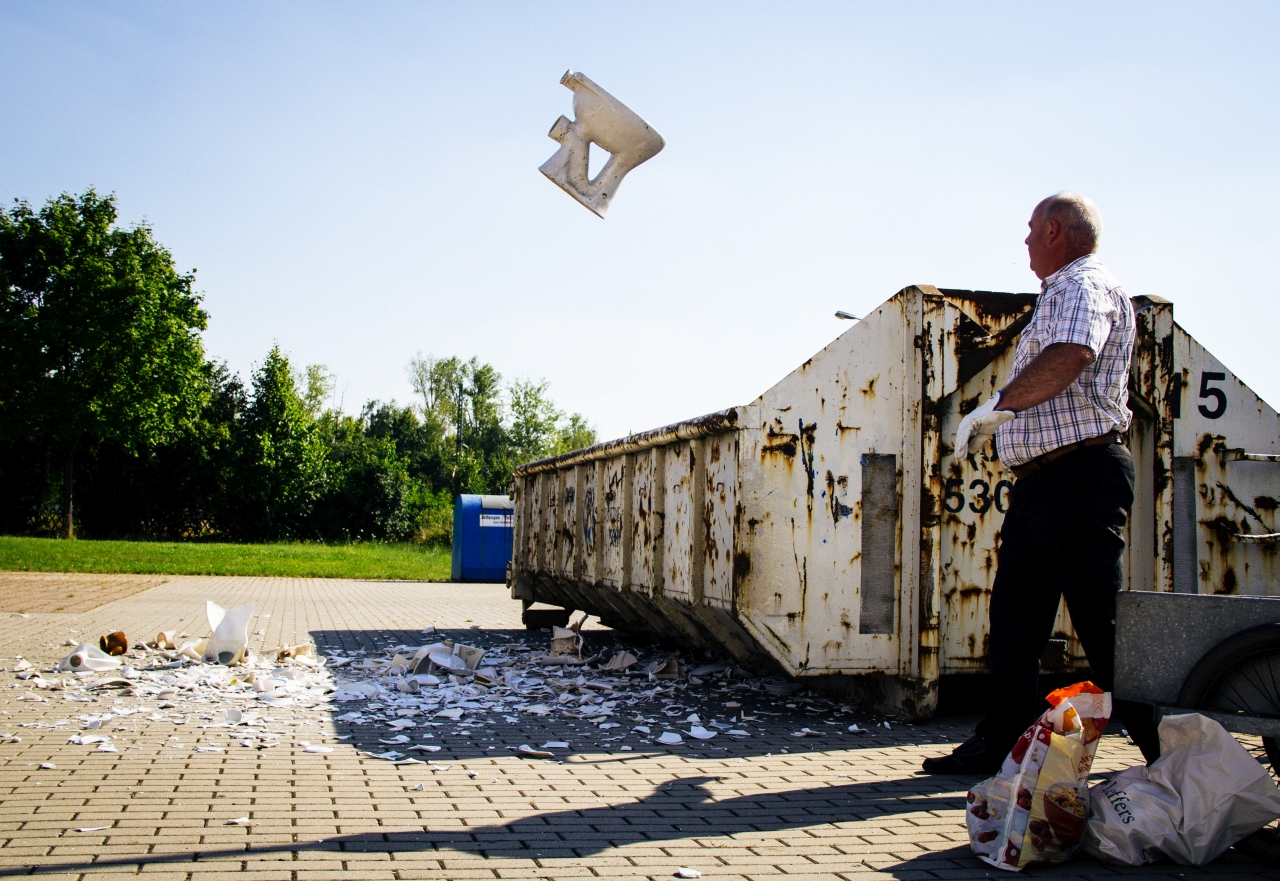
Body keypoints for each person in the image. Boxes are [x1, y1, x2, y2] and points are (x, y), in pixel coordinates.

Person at [922, 192, 1161, 775]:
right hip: (1041, 482)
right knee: (1015, 620)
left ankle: (1168, 751)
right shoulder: (1063, 291)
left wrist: (998, 409)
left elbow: (1073, 353)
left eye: (1031, 230)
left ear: (1055, 230)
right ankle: (998, 741)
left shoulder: (1082, 287)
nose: (1025, 241)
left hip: (1079, 474)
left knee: (1099, 621)